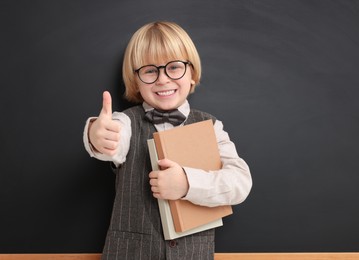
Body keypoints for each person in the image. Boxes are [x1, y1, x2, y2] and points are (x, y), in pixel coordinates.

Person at [83, 21, 252, 260]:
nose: (163, 79)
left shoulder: (211, 126)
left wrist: (186, 184)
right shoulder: (126, 122)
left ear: (191, 73)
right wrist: (96, 135)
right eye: (150, 70)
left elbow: (240, 183)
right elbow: (111, 145)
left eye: (174, 67)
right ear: (136, 80)